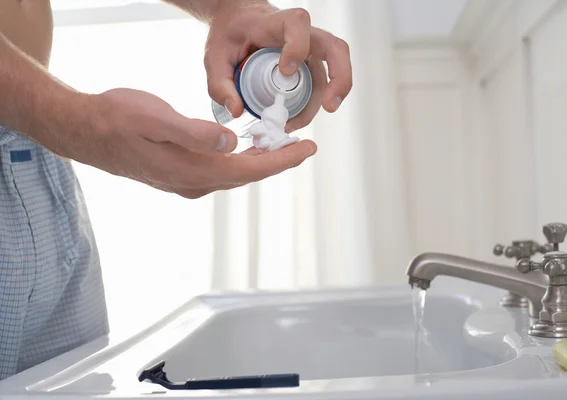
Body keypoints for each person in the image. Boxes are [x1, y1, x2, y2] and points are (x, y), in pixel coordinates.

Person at [0, 0, 352, 380]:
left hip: (41, 169)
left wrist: (229, 6)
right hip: (43, 130)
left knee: (69, 387)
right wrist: (73, 120)